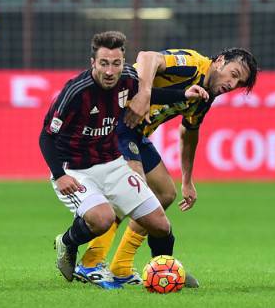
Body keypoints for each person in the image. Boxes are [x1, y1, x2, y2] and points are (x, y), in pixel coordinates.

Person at [74, 47, 259, 287]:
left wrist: (187, 179)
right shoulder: (193, 64)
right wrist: (144, 94)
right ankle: (90, 262)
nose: (232, 84)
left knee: (165, 193)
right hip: (115, 123)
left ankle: (121, 266)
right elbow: (146, 57)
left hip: (137, 135)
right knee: (132, 191)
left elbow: (189, 133)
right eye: (233, 74)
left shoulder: (206, 97)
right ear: (220, 61)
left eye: (239, 82)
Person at [39, 31, 209, 289]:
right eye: (104, 63)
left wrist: (184, 94)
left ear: (123, 62)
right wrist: (59, 175)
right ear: (93, 62)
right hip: (75, 170)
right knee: (102, 218)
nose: (110, 71)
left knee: (161, 225)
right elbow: (46, 136)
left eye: (116, 63)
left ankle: (164, 272)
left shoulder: (128, 78)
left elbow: (150, 95)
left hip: (112, 164)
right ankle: (69, 242)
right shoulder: (76, 92)